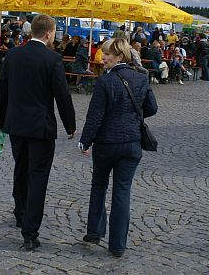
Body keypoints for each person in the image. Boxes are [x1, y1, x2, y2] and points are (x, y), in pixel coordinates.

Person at [0, 14, 76, 251]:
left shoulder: (13, 55)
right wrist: (70, 125)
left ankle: (20, 212)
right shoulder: (52, 58)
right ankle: (29, 231)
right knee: (38, 176)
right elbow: (62, 95)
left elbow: (3, 92)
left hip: (16, 125)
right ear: (49, 33)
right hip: (40, 127)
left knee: (21, 168)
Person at [78, 38, 157, 258]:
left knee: (99, 185)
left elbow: (95, 116)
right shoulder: (141, 77)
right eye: (104, 54)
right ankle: (118, 245)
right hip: (131, 144)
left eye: (108, 54)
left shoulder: (105, 82)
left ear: (120, 56)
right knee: (122, 192)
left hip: (106, 144)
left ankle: (94, 232)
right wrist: (132, 116)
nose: (103, 57)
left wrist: (85, 141)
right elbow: (152, 108)